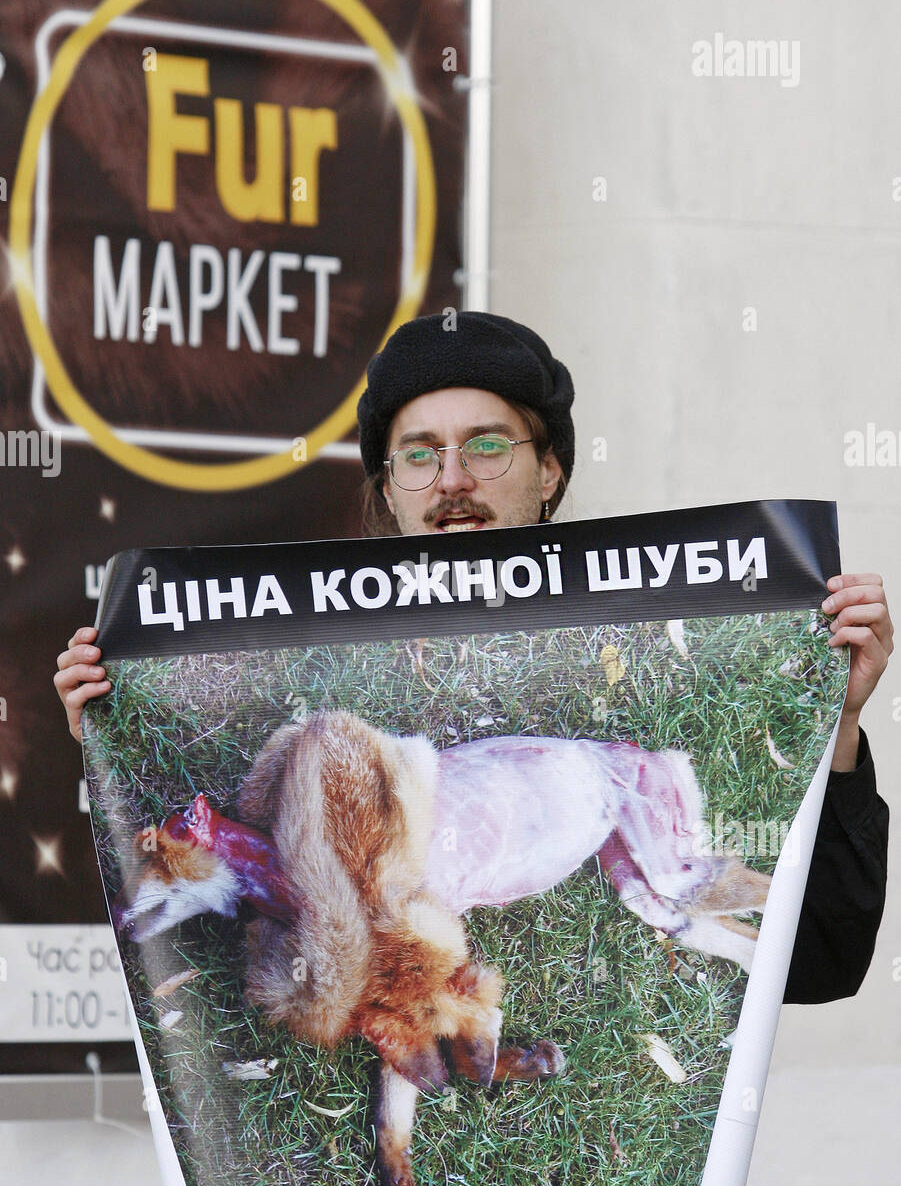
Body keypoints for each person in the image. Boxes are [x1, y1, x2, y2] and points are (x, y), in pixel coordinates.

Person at [55, 311, 892, 1002]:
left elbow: (819, 959)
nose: (452, 477)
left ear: (550, 470)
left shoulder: (658, 630)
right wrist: (111, 745)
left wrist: (840, 724)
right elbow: (170, 968)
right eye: (419, 454)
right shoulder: (298, 654)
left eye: (486, 446)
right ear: (388, 486)